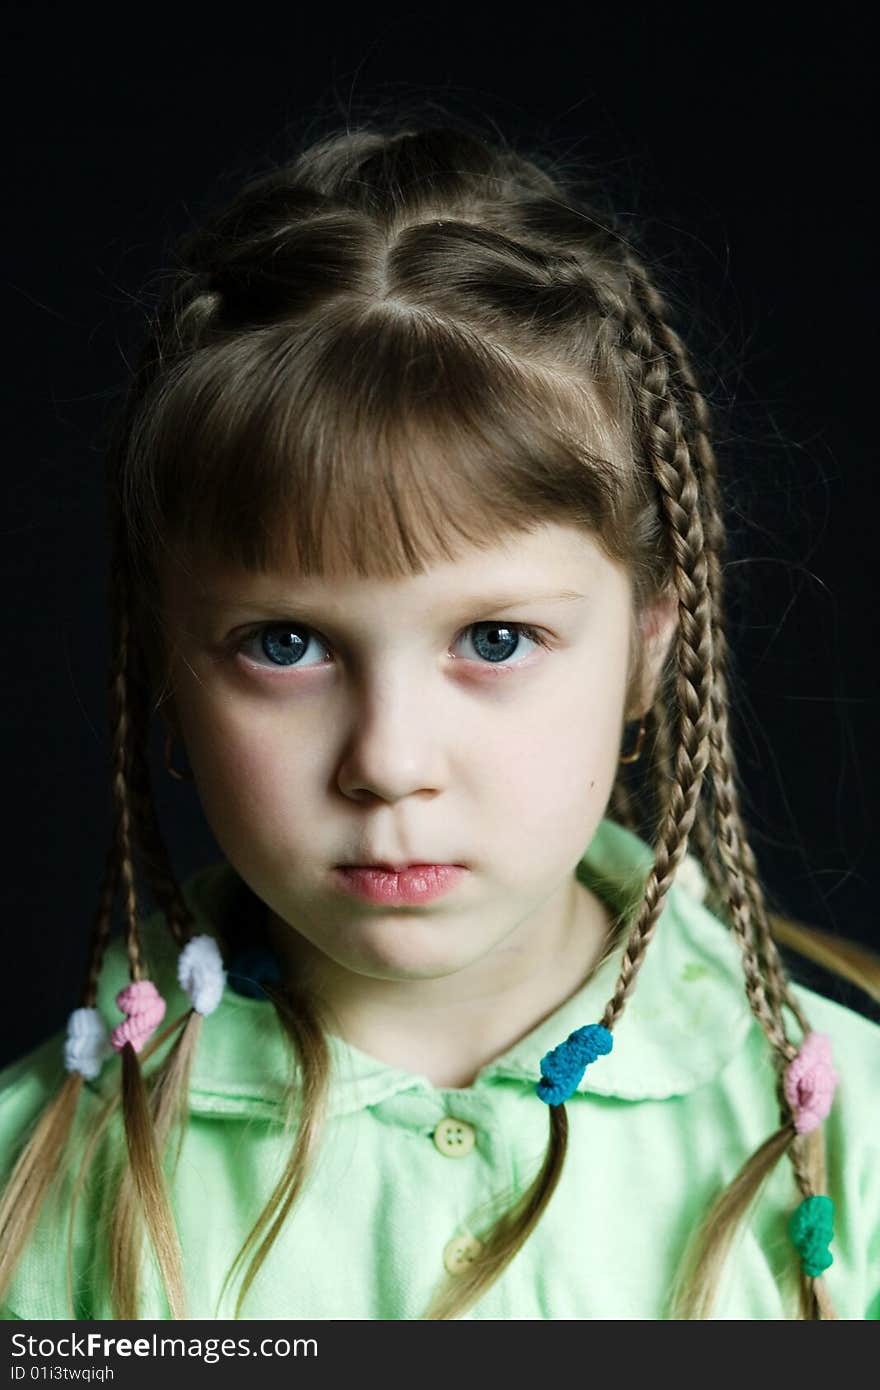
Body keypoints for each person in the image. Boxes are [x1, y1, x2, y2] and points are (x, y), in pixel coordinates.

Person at [1, 116, 878, 1323]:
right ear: (167, 662)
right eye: (286, 644)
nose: (389, 762)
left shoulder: (853, 1145)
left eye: (496, 640)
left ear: (646, 647)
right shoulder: (33, 1175)